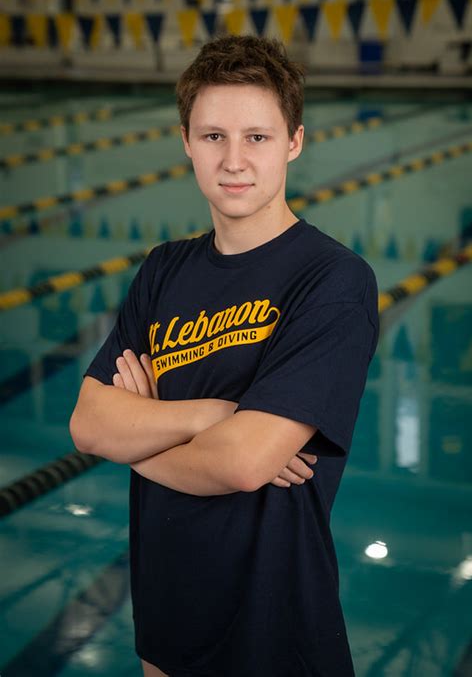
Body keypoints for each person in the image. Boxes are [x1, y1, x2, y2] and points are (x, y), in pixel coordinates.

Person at [70, 35, 379, 677]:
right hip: (166, 620)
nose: (234, 160)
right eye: (213, 136)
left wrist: (137, 438)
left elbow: (241, 464)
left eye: (257, 137)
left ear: (294, 141)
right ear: (186, 141)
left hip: (275, 631)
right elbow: (89, 424)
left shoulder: (333, 281)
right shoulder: (163, 269)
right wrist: (215, 415)